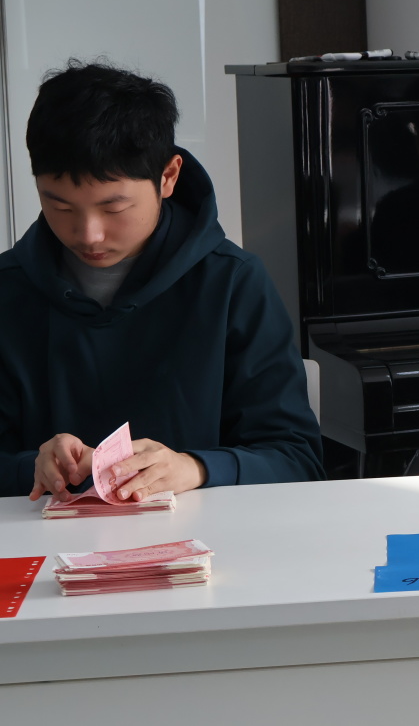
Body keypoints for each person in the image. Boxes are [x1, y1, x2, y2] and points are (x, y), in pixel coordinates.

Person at [0, 60, 323, 500]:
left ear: (168, 176)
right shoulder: (9, 292)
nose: (89, 235)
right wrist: (31, 467)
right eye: (60, 207)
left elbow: (297, 459)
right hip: (45, 537)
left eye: (113, 208)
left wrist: (195, 468)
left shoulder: (232, 283)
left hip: (206, 534)